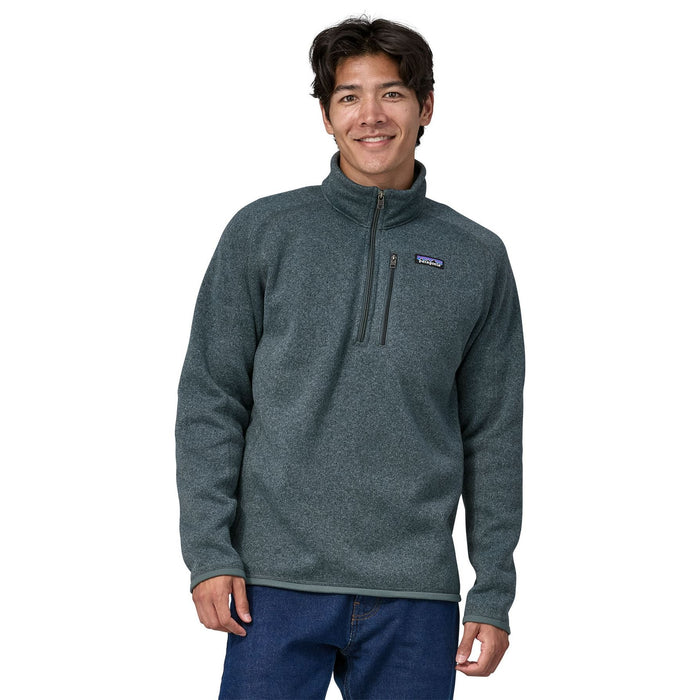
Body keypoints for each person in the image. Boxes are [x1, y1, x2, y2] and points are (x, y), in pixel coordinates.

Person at [176, 16, 524, 700]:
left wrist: (493, 589)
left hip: (415, 591)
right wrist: (210, 552)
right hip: (272, 582)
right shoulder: (263, 232)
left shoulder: (477, 256)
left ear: (426, 107)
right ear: (326, 115)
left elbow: (493, 434)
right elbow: (212, 400)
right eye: (348, 97)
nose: (371, 115)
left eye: (392, 94)